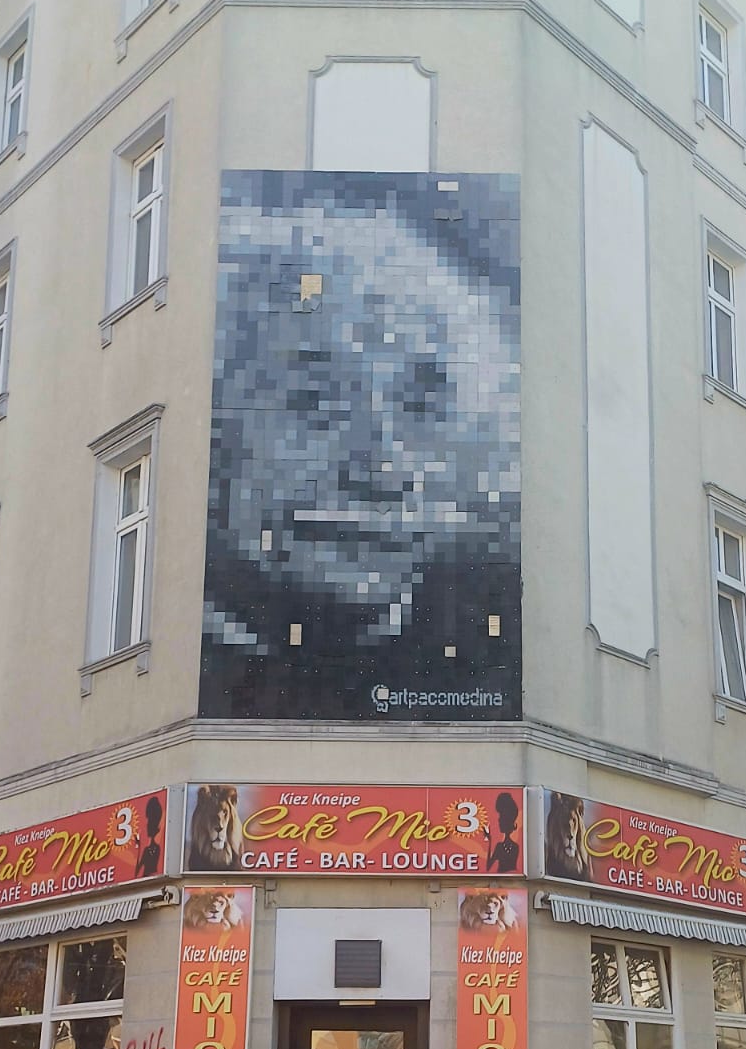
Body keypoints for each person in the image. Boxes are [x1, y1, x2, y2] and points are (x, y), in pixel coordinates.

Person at [198, 171, 522, 721]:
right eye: (315, 401)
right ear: (217, 428)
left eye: (420, 408)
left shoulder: (491, 661)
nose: (385, 467)